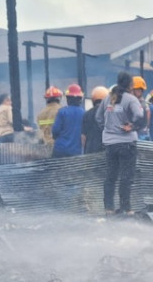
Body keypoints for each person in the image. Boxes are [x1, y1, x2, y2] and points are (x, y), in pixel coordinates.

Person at [96, 71, 144, 215]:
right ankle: (125, 208)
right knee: (126, 177)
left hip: (110, 144)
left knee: (111, 176)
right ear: (130, 85)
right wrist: (132, 126)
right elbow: (140, 117)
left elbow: (98, 118)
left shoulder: (107, 99)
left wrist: (108, 130)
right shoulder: (131, 99)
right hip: (126, 143)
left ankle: (108, 208)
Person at [51, 84, 85, 158]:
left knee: (55, 169)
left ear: (68, 98)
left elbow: (55, 131)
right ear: (80, 99)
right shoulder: (84, 113)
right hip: (76, 152)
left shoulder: (62, 112)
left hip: (60, 150)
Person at [82, 86, 109, 154]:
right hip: (105, 152)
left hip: (90, 152)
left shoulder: (87, 114)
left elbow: (83, 137)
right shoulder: (109, 114)